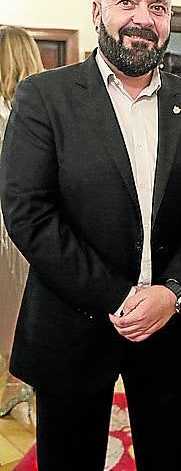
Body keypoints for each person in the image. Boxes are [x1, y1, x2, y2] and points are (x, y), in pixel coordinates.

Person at [0, 0, 181, 471]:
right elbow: (28, 212)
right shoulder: (44, 97)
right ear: (97, 10)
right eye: (127, 2)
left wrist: (172, 292)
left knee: (171, 458)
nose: (143, 18)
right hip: (73, 321)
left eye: (158, 6)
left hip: (169, 327)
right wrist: (123, 297)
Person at [0, 25, 43, 419]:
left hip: (11, 228)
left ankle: (18, 390)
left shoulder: (23, 108)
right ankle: (18, 391)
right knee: (17, 313)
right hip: (21, 230)